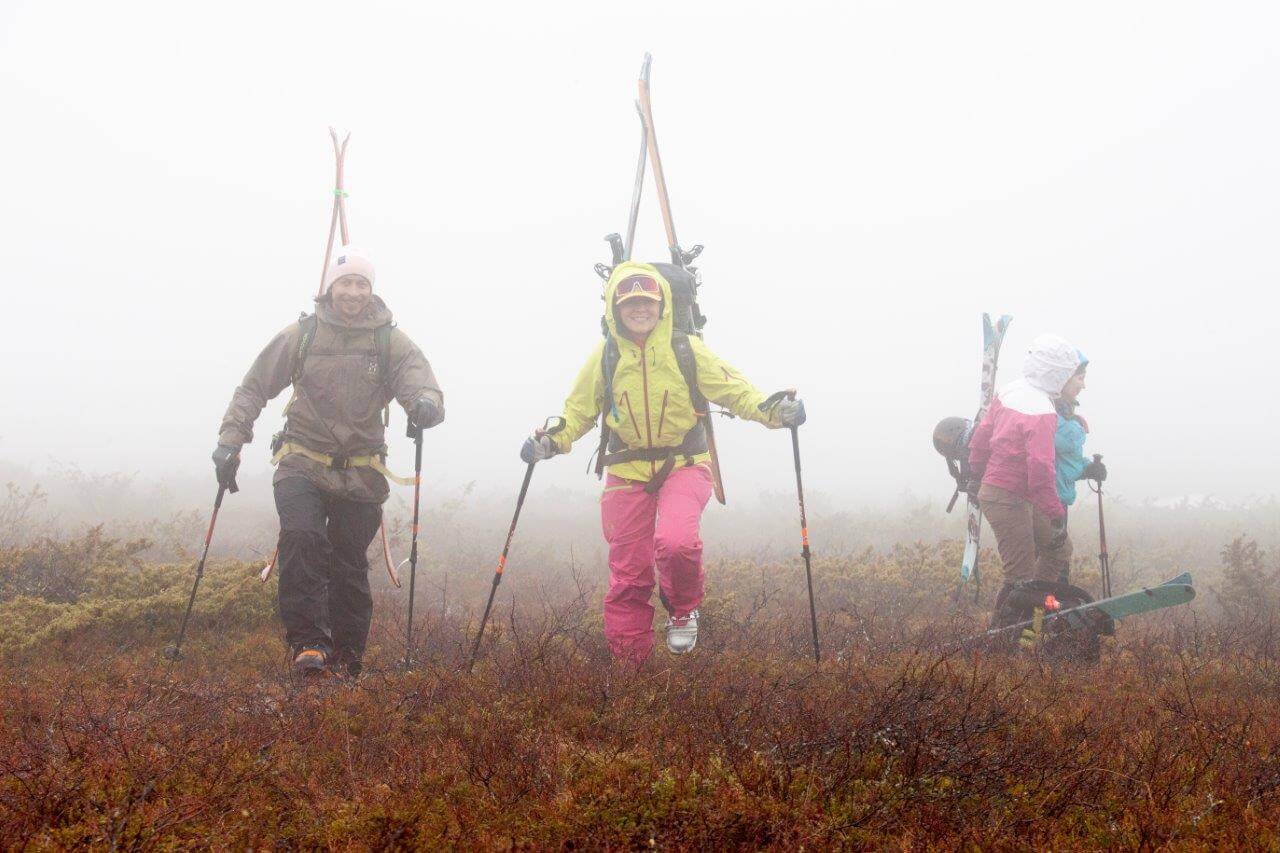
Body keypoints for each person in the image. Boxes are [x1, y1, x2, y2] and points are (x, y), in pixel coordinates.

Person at [520, 262, 805, 663]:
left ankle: (683, 609)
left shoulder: (684, 348)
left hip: (685, 463)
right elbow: (578, 411)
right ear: (615, 308)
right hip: (625, 471)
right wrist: (551, 441)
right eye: (630, 301)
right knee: (628, 577)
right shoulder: (607, 355)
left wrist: (776, 411)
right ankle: (630, 674)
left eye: (648, 301)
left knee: (676, 543)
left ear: (663, 304)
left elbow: (735, 390)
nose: (640, 309)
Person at [213, 246, 444, 677]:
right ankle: (309, 645)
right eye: (345, 283)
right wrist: (231, 440)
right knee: (301, 538)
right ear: (330, 288)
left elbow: (421, 381)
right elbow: (253, 387)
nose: (353, 292)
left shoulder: (388, 340)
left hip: (361, 473)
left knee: (348, 561)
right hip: (301, 460)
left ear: (370, 289)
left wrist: (426, 404)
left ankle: (348, 658)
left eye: (361, 284)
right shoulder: (302, 335)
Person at [967, 333, 1102, 628]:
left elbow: (980, 438)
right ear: (1058, 375)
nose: (1081, 383)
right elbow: (1041, 470)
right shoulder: (1042, 410)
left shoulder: (1010, 392)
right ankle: (1002, 634)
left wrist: (976, 475)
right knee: (1020, 576)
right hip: (1007, 497)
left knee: (1059, 550)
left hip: (1008, 494)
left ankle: (1030, 616)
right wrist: (1055, 517)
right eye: (1075, 376)